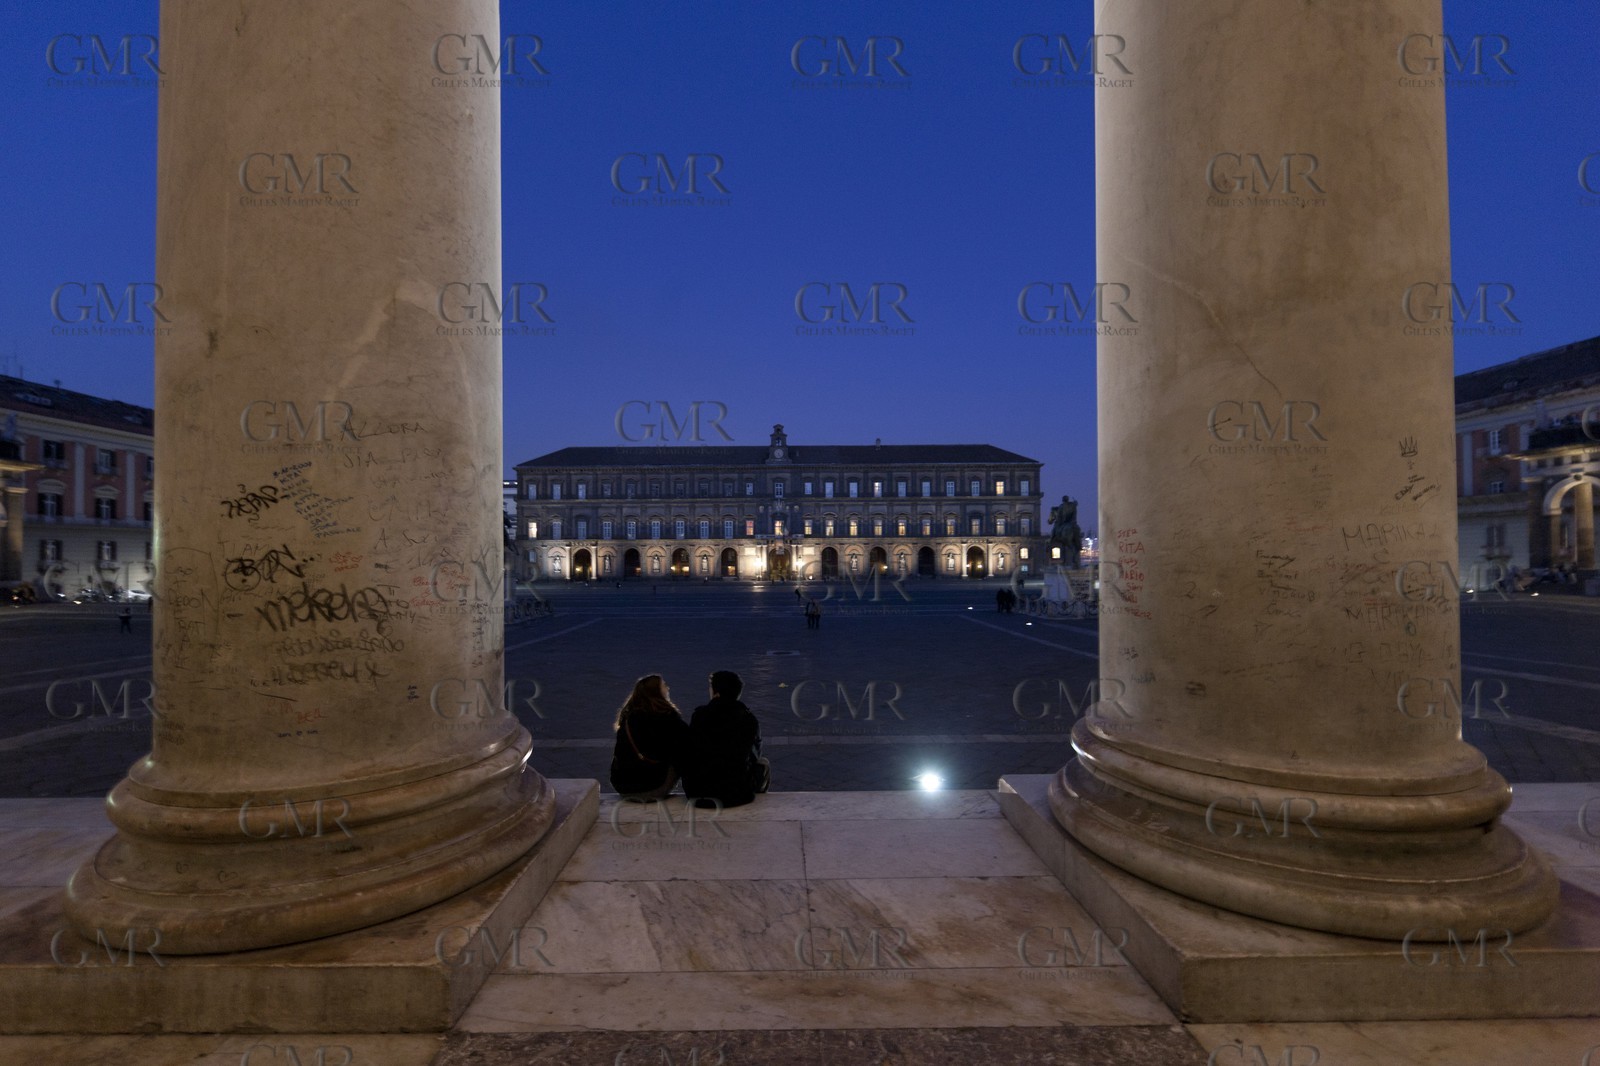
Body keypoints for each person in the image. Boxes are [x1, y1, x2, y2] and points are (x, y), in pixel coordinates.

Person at [682, 671, 770, 809]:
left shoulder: (699, 716)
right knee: (763, 763)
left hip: (698, 793)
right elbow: (754, 754)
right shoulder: (748, 719)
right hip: (737, 794)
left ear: (716, 692)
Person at [609, 674, 691, 801]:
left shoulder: (627, 718)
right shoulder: (668, 718)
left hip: (623, 788)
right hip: (653, 788)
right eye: (664, 686)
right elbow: (687, 742)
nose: (667, 688)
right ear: (656, 692)